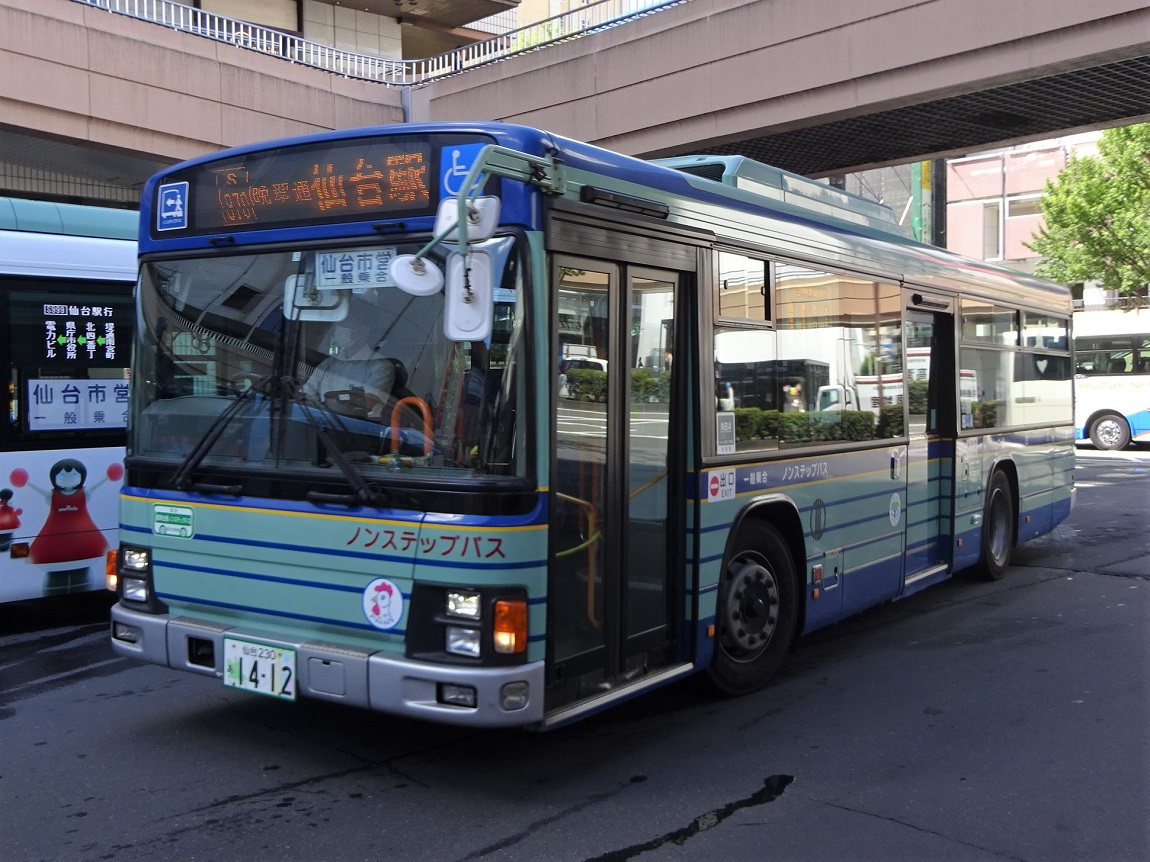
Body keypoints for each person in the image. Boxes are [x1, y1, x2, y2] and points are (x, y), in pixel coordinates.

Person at [302, 315, 395, 419]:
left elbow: (366, 404)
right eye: (339, 323)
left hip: (356, 425)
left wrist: (337, 400)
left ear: (364, 331)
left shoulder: (380, 366)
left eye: (347, 323)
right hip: (321, 420)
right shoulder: (329, 362)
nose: (339, 328)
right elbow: (306, 394)